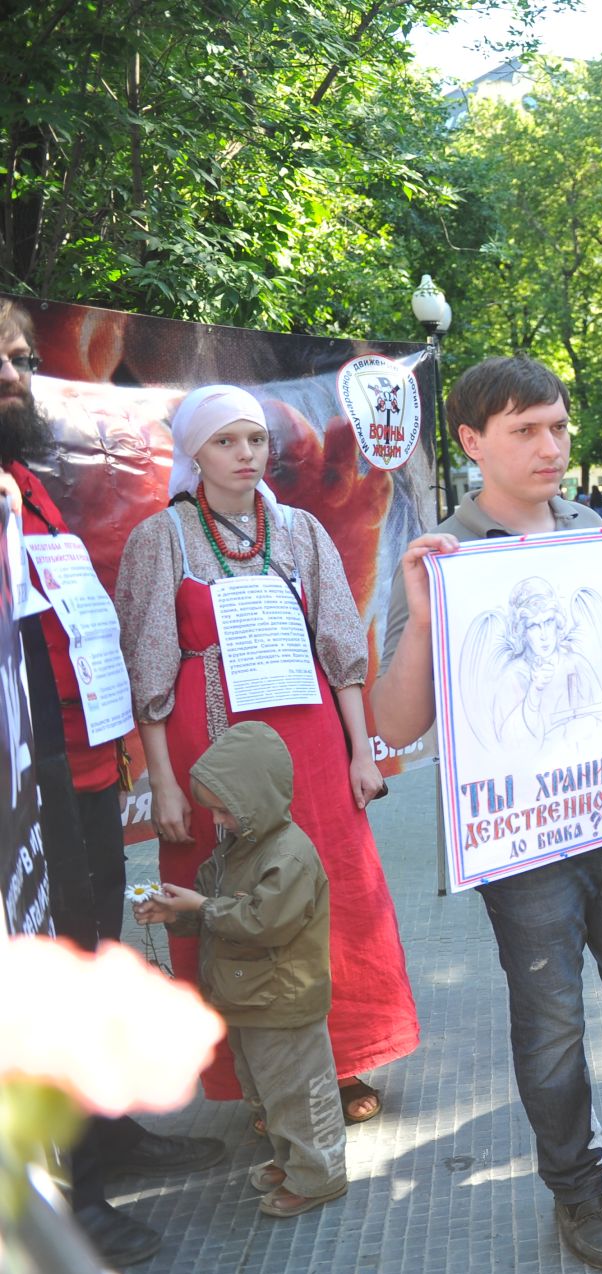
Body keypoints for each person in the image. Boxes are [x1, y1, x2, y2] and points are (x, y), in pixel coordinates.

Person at [374, 355, 602, 1266]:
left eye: (559, 427)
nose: (551, 446)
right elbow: (394, 720)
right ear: (471, 441)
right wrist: (422, 617)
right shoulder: (438, 553)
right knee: (551, 1023)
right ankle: (578, 1192)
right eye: (525, 429)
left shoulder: (584, 526)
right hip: (528, 840)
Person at [113, 383, 418, 1130]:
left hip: (309, 745)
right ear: (194, 452)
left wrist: (360, 752)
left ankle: (342, 1060)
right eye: (226, 441)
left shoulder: (301, 531)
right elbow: (147, 663)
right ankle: (259, 1073)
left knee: (327, 892)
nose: (246, 453)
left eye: (254, 439)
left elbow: (342, 645)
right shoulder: (164, 538)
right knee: (230, 905)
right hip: (206, 751)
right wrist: (162, 783)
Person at [0, 304, 226, 1268]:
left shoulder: (24, 484)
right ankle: (70, 1195)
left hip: (83, 771)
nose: (16, 371)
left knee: (90, 955)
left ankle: (104, 1130)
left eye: (16, 354)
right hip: (25, 785)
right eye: (0, 359)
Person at [136, 723, 349, 1219]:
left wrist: (203, 908)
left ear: (256, 799)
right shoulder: (239, 845)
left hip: (283, 1001)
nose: (217, 820)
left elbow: (261, 921)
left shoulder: (289, 854)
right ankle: (291, 1158)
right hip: (249, 998)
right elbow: (217, 906)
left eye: (224, 809)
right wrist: (179, 913)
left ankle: (319, 1175)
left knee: (300, 1094)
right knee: (267, 1091)